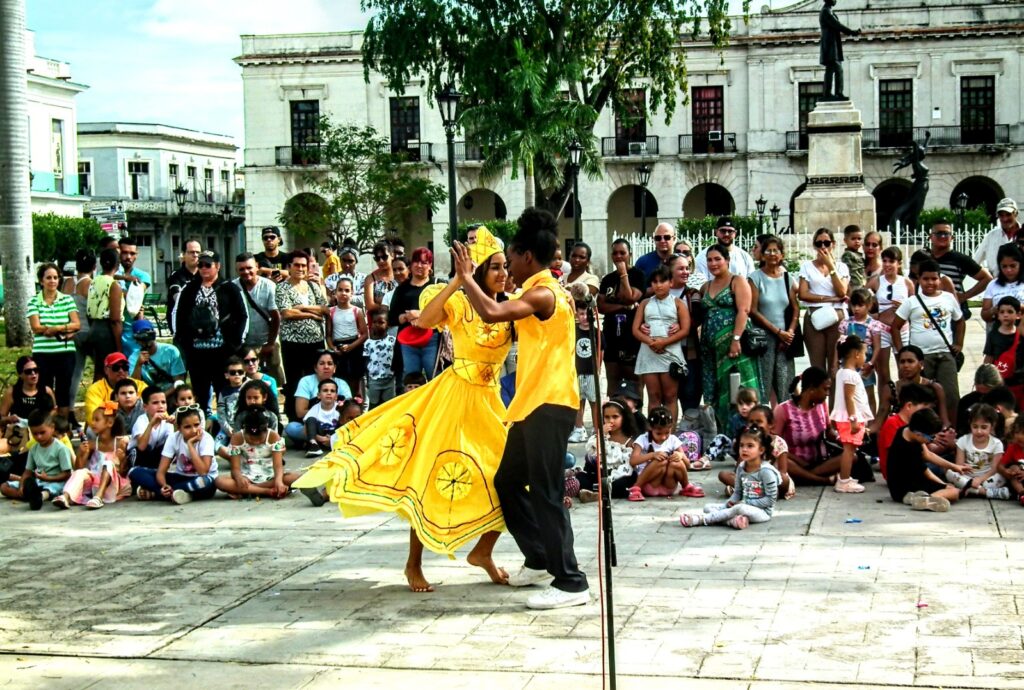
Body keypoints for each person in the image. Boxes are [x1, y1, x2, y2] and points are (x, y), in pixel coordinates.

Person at [295, 227, 513, 593]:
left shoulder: (509, 304)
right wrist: (457, 282)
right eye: (495, 268)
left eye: (504, 266)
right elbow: (425, 321)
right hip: (455, 397)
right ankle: (413, 563)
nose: (503, 273)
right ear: (478, 271)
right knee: (428, 476)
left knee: (503, 476)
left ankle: (483, 552)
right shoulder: (459, 302)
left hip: (491, 400)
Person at [452, 209, 590, 609]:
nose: (507, 266)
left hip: (550, 404)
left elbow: (493, 312)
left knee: (546, 494)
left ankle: (571, 582)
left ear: (527, 256)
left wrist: (465, 278)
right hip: (531, 406)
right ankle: (540, 559)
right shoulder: (537, 289)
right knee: (508, 482)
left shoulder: (544, 293)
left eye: (510, 258)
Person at [173, 250, 248, 414]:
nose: (204, 268)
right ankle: (201, 425)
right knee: (199, 393)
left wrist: (234, 345)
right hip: (196, 352)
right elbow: (179, 316)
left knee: (224, 391)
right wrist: (184, 343)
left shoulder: (230, 288)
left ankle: (224, 425)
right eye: (201, 265)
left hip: (222, 351)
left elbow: (242, 316)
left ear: (218, 266)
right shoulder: (189, 288)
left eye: (208, 265)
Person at [892, 259, 964, 425]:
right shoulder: (912, 302)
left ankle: (952, 430)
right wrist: (903, 352)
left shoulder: (948, 298)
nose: (930, 283)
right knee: (923, 396)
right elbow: (895, 327)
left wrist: (959, 343)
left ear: (940, 279)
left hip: (945, 353)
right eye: (926, 279)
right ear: (919, 279)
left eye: (934, 278)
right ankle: (925, 428)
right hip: (922, 357)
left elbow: (960, 321)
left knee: (951, 395)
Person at [700, 244, 760, 427]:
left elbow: (744, 311)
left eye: (717, 259)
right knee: (716, 391)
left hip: (734, 349)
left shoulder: (737, 281)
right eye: (709, 260)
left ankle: (743, 433)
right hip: (710, 349)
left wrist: (735, 339)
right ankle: (721, 433)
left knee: (737, 389)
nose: (713, 263)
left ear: (727, 260)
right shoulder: (705, 286)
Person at [680, 425, 779, 529]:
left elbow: (770, 499)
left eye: (750, 446)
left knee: (739, 508)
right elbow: (737, 492)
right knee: (708, 507)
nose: (744, 449)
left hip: (762, 512)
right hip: (741, 506)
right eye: (742, 445)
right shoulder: (741, 467)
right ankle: (732, 521)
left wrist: (745, 503)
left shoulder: (766, 471)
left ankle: (702, 519)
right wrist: (729, 503)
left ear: (761, 450)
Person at [633, 265, 689, 426]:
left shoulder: (678, 303)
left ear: (671, 282)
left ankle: (669, 433)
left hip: (670, 352)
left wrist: (664, 342)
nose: (658, 285)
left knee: (671, 396)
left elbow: (685, 329)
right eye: (655, 282)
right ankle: (653, 432)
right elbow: (635, 329)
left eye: (662, 281)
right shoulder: (644, 303)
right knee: (654, 396)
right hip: (649, 352)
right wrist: (651, 342)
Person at [128, 405, 218, 505]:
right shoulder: (173, 438)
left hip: (202, 480)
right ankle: (179, 494)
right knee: (134, 471)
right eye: (187, 427)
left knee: (204, 482)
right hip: (180, 478)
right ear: (179, 428)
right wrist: (164, 486)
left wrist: (190, 445)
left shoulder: (206, 438)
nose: (193, 430)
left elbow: (203, 471)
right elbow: (161, 472)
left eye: (196, 425)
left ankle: (157, 493)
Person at [276, 250, 329, 419]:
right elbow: (287, 313)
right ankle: (295, 417)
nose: (300, 268)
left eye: (303, 265)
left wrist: (302, 308)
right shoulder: (282, 287)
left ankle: (316, 416)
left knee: (315, 380)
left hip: (316, 341)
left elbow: (324, 309)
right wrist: (313, 315)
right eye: (296, 265)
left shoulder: (313, 286)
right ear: (289, 267)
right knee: (295, 381)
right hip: (293, 342)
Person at [748, 235, 799, 405]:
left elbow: (795, 308)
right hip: (765, 338)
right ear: (762, 255)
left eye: (775, 250)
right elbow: (753, 310)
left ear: (782, 255)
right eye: (768, 250)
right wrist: (777, 333)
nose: (772, 254)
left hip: (785, 339)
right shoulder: (755, 278)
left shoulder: (787, 278)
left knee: (785, 384)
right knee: (763, 385)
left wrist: (790, 332)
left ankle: (784, 425)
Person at [27, 263, 79, 422]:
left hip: (65, 352)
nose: (52, 281)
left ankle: (63, 427)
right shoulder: (34, 301)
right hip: (43, 353)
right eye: (48, 277)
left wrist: (56, 328)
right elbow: (36, 326)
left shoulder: (67, 300)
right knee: (44, 389)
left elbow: (76, 324)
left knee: (64, 390)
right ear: (41, 281)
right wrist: (61, 329)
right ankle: (47, 425)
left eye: (55, 277)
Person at [773, 367, 840, 486]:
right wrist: (799, 461)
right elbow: (774, 444)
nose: (828, 394)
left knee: (851, 457)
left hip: (819, 462)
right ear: (812, 389)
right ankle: (820, 480)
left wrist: (842, 439)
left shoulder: (822, 405)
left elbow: (829, 431)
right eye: (825, 389)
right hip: (794, 462)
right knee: (780, 463)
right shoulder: (783, 410)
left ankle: (804, 476)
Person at [56, 403, 130, 509]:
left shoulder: (120, 443)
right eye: (92, 419)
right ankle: (66, 496)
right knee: (81, 473)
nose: (92, 423)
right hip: (93, 485)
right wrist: (81, 454)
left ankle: (98, 498)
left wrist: (122, 459)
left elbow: (123, 472)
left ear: (110, 422)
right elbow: (78, 469)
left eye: (96, 420)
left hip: (113, 485)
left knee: (108, 463)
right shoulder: (91, 444)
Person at [799, 228, 850, 380]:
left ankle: (835, 404)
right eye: (819, 243)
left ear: (833, 244)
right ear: (814, 246)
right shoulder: (807, 266)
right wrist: (829, 299)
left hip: (837, 317)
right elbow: (803, 294)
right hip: (815, 317)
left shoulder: (842, 267)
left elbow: (841, 292)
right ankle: (819, 404)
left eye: (826, 243)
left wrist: (830, 265)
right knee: (817, 368)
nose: (823, 247)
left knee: (834, 367)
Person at [886, 408, 959, 512]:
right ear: (919, 434)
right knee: (954, 492)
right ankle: (925, 499)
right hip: (908, 487)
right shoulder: (910, 451)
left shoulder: (905, 430)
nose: (932, 440)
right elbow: (927, 473)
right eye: (931, 437)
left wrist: (955, 466)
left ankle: (915, 497)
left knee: (947, 487)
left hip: (897, 487)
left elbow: (928, 455)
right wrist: (944, 485)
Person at [597, 238, 644, 399]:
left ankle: (635, 417)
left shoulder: (638, 275)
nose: (618, 256)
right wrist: (623, 307)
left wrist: (624, 274)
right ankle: (614, 414)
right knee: (613, 381)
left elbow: (630, 297)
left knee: (634, 381)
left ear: (629, 254)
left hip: (631, 336)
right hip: (611, 335)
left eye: (622, 253)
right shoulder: (607, 279)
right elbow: (601, 306)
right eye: (615, 253)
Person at [216, 409, 299, 499]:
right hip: (247, 478)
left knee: (297, 478)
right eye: (251, 439)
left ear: (266, 430)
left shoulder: (273, 436)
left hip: (270, 477)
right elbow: (235, 468)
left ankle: (249, 491)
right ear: (245, 431)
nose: (256, 442)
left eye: (259, 439)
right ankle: (267, 491)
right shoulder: (237, 438)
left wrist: (279, 482)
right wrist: (239, 477)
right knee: (219, 481)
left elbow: (278, 466)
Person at [626, 406, 702, 501]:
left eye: (667, 432)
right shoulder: (643, 439)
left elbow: (687, 465)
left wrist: (681, 456)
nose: (663, 437)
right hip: (650, 485)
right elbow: (633, 461)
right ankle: (636, 488)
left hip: (668, 486)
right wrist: (652, 455)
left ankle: (687, 487)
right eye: (658, 433)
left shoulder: (673, 440)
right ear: (650, 428)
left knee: (676, 463)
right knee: (661, 461)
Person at [0, 410, 72, 510]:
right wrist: (21, 486)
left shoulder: (61, 448)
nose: (39, 437)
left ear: (52, 428)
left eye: (42, 433)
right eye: (35, 434)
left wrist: (48, 479)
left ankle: (39, 497)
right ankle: (29, 495)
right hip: (38, 482)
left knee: (53, 488)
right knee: (4, 487)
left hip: (56, 481)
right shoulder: (34, 449)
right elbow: (27, 471)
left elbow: (67, 474)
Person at [390, 247, 442, 382]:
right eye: (416, 262)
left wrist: (420, 314)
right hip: (409, 341)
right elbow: (392, 317)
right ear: (411, 265)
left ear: (430, 266)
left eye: (424, 262)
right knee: (411, 380)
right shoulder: (402, 289)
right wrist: (406, 317)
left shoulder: (438, 285)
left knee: (435, 378)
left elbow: (448, 311)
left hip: (433, 339)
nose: (420, 265)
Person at [868, 246, 914, 396]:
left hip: (902, 330)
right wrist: (875, 316)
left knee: (905, 369)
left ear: (899, 263)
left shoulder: (907, 283)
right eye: (885, 261)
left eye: (891, 261)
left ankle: (903, 402)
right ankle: (885, 405)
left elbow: (915, 308)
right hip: (883, 329)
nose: (887, 264)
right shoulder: (876, 282)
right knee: (883, 372)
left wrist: (904, 308)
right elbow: (861, 300)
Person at [234, 252, 284, 388]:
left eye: (249, 268)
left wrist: (271, 343)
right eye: (242, 269)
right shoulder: (232, 288)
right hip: (244, 344)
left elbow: (276, 316)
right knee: (245, 380)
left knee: (275, 377)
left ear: (256, 266)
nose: (246, 272)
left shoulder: (269, 286)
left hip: (267, 340)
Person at [829, 336, 871, 493]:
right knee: (849, 450)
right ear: (856, 354)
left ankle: (845, 477)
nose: (865, 358)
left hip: (848, 417)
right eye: (865, 353)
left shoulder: (842, 372)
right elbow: (849, 397)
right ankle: (844, 480)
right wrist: (853, 418)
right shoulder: (850, 375)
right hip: (850, 418)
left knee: (850, 449)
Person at [927, 219, 991, 322]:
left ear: (952, 237)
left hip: (952, 313)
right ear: (930, 237)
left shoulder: (960, 259)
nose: (943, 237)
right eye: (939, 233)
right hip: (926, 311)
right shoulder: (924, 258)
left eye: (946, 234)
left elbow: (987, 278)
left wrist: (965, 296)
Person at [577, 400, 639, 502]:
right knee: (580, 478)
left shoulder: (630, 441)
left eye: (615, 417)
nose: (611, 420)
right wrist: (601, 435)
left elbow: (629, 464)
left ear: (624, 417)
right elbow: (591, 450)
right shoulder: (601, 436)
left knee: (622, 484)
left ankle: (597, 494)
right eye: (607, 417)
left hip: (619, 475)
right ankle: (598, 492)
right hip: (600, 472)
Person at [284, 351, 351, 442]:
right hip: (313, 425)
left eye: (330, 364)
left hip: (336, 425)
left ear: (334, 368)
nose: (326, 367)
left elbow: (349, 411)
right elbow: (300, 412)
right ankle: (326, 440)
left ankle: (316, 440)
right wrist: (323, 414)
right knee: (291, 427)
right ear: (315, 367)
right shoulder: (306, 381)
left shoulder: (342, 384)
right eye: (322, 363)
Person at [948, 404, 1011, 500]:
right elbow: (959, 465)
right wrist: (964, 469)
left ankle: (968, 490)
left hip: (987, 478)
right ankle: (986, 492)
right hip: (967, 478)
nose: (979, 431)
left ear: (992, 426)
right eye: (975, 426)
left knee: (1001, 476)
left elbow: (995, 468)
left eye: (984, 427)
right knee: (950, 473)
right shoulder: (963, 440)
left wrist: (980, 479)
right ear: (970, 424)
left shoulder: (997, 444)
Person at [839, 289, 883, 414]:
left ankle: (870, 421)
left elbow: (877, 346)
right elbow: (839, 345)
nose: (856, 309)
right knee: (849, 394)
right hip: (847, 365)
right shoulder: (845, 323)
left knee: (868, 394)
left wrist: (871, 363)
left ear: (869, 305)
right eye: (854, 305)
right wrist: (835, 363)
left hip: (865, 364)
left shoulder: (873, 324)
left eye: (860, 305)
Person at [65, 249, 95, 427]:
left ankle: (69, 410)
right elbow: (92, 311)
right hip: (88, 332)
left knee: (75, 374)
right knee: (100, 370)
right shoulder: (90, 284)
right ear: (93, 266)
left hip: (71, 332)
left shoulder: (67, 283)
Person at [84, 248, 124, 379]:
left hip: (94, 328)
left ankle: (97, 398)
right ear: (118, 265)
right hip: (107, 333)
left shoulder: (93, 281)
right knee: (111, 372)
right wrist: (119, 348)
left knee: (99, 370)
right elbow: (115, 320)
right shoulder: (114, 286)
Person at [327, 277, 368, 398]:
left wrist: (351, 346)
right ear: (335, 292)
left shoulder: (357, 311)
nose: (343, 293)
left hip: (354, 346)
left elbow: (365, 334)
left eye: (347, 290)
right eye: (340, 290)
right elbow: (328, 335)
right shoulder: (331, 311)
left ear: (352, 293)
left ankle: (357, 408)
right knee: (340, 380)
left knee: (355, 382)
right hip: (338, 348)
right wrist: (333, 348)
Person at [568, 302, 600, 443]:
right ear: (576, 315)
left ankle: (596, 429)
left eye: (588, 313)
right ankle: (579, 429)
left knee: (594, 401)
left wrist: (598, 369)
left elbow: (601, 350)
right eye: (581, 314)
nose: (585, 317)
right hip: (577, 372)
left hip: (592, 373)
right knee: (578, 401)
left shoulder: (597, 332)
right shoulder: (573, 331)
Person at [83, 352, 145, 423]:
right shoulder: (95, 389)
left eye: (125, 367)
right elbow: (94, 417)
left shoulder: (139, 385)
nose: (121, 371)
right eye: (116, 367)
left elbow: (151, 406)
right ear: (106, 370)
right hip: (108, 428)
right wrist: (116, 404)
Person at [116, 237, 152, 359]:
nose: (128, 257)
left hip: (133, 331)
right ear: (118, 252)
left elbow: (135, 296)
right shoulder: (107, 275)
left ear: (136, 255)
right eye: (125, 252)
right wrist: (123, 278)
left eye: (132, 253)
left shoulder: (142, 276)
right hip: (113, 330)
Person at [819, 0, 860, 100]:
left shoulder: (829, 11)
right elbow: (837, 25)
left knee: (830, 70)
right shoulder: (826, 12)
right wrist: (852, 32)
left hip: (832, 44)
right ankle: (838, 93)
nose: (835, 0)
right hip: (830, 44)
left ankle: (828, 93)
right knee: (838, 69)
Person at [128, 320, 185, 389]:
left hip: (171, 391)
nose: (146, 340)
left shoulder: (170, 351)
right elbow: (133, 386)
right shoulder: (133, 358)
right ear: (136, 340)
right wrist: (138, 365)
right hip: (149, 394)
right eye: (141, 338)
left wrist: (163, 396)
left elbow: (179, 381)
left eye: (149, 336)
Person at [129, 387, 174, 472]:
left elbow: (171, 445)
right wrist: (151, 424)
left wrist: (176, 425)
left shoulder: (167, 422)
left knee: (167, 446)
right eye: (155, 403)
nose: (160, 406)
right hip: (138, 456)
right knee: (146, 448)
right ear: (145, 407)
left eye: (163, 402)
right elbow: (141, 447)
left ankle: (160, 472)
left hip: (155, 458)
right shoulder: (141, 420)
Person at [980, 243, 1024, 326]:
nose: (1008, 270)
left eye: (1013, 266)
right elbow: (984, 315)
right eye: (1004, 266)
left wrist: (1017, 306)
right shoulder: (993, 285)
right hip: (999, 335)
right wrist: (993, 310)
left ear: (1020, 265)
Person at [974, 198, 1020, 274]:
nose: (1005, 219)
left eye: (1008, 214)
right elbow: (975, 261)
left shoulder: (1022, 235)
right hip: (997, 282)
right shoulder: (991, 236)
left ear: (1016, 213)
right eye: (1001, 215)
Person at [364, 307, 397, 409]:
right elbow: (365, 362)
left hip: (390, 380)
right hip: (374, 380)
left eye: (381, 322)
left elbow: (397, 359)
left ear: (388, 324)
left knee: (389, 405)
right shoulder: (368, 343)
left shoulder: (392, 341)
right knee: (373, 405)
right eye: (374, 322)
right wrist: (366, 380)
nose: (377, 325)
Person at [166, 239, 202, 332]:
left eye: (198, 252)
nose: (195, 255)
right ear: (184, 255)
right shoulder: (176, 275)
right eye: (191, 252)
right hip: (181, 326)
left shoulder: (204, 275)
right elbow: (177, 298)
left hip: (201, 326)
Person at [984, 296, 1023, 379]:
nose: (1005, 315)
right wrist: (985, 376)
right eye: (1002, 312)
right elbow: (989, 358)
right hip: (999, 379)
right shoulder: (993, 335)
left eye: (1010, 312)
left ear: (1018, 315)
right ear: (998, 315)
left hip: (1018, 380)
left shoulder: (1021, 334)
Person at [363, 241, 399, 314]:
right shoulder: (370, 279)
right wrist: (394, 307)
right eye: (377, 258)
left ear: (392, 255)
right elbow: (370, 305)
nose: (381, 261)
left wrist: (381, 302)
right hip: (378, 322)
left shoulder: (399, 275)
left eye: (384, 257)